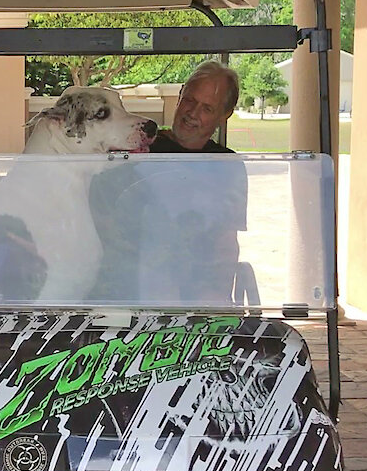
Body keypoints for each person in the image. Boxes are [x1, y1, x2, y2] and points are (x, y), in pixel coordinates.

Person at [89, 60, 249, 305]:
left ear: (224, 114)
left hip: (195, 283)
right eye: (190, 101)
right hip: (133, 277)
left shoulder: (226, 165)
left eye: (207, 108)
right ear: (180, 95)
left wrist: (216, 295)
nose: (192, 113)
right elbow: (102, 221)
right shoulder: (141, 147)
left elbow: (225, 243)